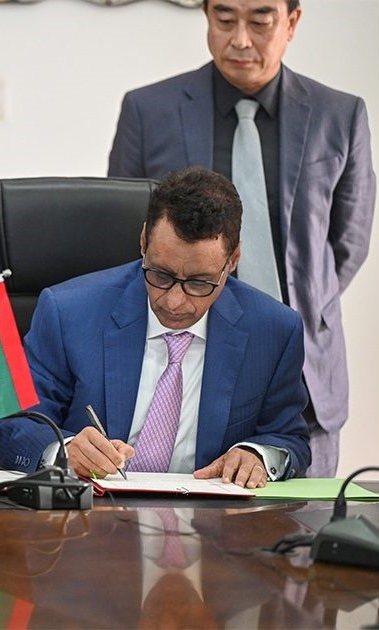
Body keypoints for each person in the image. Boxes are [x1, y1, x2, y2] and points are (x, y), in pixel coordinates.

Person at [107, 0, 376, 477]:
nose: (241, 39)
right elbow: (129, 234)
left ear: (291, 22)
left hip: (303, 374)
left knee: (302, 521)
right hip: (178, 369)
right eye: (225, 19)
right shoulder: (149, 111)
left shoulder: (340, 114)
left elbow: (347, 241)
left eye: (260, 21)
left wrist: (290, 312)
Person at [0, 167, 311, 487]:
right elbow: (9, 427)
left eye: (199, 283)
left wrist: (257, 454)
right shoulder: (67, 312)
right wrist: (64, 451)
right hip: (89, 513)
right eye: (161, 275)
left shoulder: (274, 331)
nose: (174, 302)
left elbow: (288, 438)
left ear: (233, 260)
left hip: (211, 516)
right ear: (143, 241)